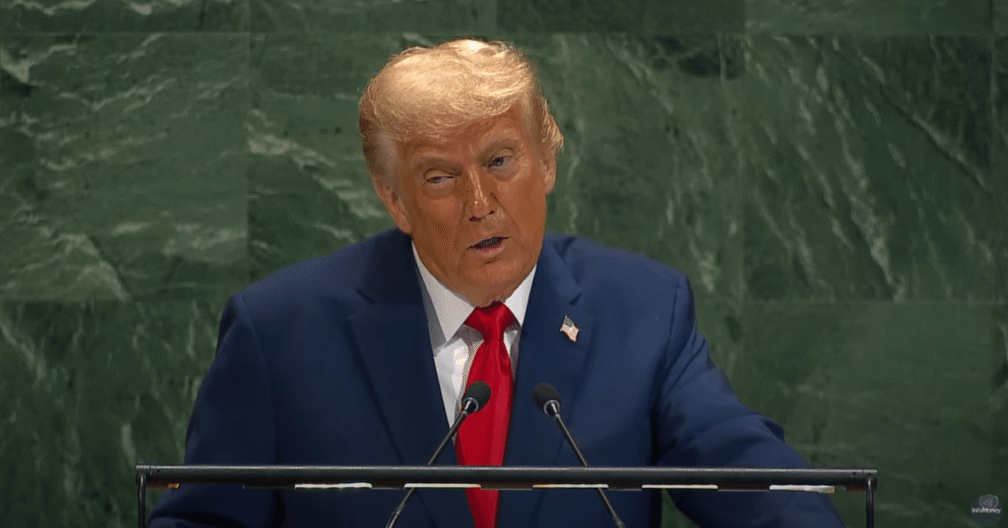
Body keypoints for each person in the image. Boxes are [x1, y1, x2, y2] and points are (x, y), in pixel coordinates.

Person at [150, 39, 845, 528]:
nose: (480, 202)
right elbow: (204, 520)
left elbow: (751, 477)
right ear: (394, 200)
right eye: (440, 177)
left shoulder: (642, 310)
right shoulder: (280, 333)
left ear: (548, 160)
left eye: (501, 161)